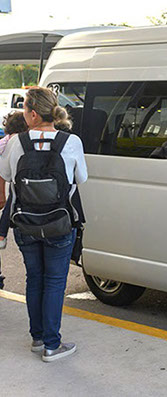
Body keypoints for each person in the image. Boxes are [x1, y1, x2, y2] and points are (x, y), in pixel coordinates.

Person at [0, 87, 88, 362]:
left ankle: (38, 339)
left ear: (34, 114)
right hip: (59, 223)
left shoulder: (17, 142)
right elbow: (81, 178)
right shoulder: (71, 141)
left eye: (24, 108)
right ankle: (52, 345)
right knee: (54, 282)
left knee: (34, 278)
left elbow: (6, 175)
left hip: (25, 223)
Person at [0, 112, 30, 248]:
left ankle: (2, 234)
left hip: (13, 176)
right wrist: (1, 193)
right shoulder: (16, 140)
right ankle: (1, 233)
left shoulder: (6, 139)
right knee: (13, 197)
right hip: (15, 177)